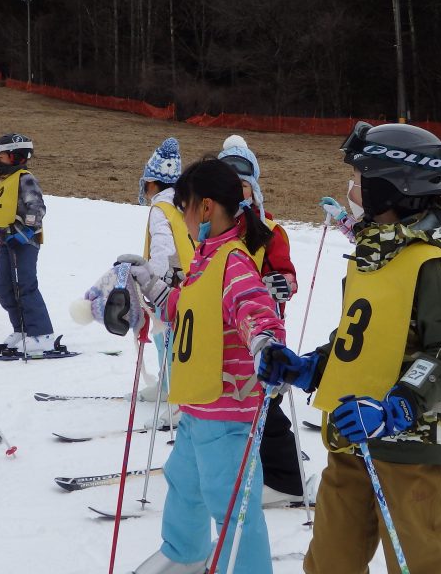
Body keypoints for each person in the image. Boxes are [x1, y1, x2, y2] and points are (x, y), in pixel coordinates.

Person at [258, 122, 441, 574]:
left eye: (361, 180)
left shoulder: (433, 268)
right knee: (330, 561)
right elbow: (357, 343)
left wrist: (398, 406)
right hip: (350, 438)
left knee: (419, 562)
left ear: (392, 186)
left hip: (408, 451)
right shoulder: (370, 261)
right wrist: (307, 368)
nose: (351, 189)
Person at [129, 158, 283, 574]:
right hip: (199, 405)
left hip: (228, 409)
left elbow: (253, 308)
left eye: (184, 205)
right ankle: (186, 554)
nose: (181, 214)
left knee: (231, 502)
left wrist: (265, 343)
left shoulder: (233, 260)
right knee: (185, 486)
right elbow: (185, 309)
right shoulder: (206, 256)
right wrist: (151, 284)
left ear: (207, 208)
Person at [217, 135, 310, 507]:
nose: (240, 197)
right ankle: (241, 458)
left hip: (261, 330)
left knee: (263, 403)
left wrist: (279, 285)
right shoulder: (217, 231)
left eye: (245, 188)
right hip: (223, 332)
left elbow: (288, 276)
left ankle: (288, 480)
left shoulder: (270, 230)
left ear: (254, 189)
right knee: (229, 397)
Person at [0, 133, 57, 356]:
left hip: (24, 242)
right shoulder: (6, 182)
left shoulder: (25, 179)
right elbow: (2, 209)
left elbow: (37, 209)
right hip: (6, 242)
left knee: (25, 285)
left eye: (2, 157)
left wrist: (24, 232)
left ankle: (42, 335)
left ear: (16, 157)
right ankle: (22, 330)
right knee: (2, 287)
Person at [136, 137, 192, 403]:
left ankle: (173, 391)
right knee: (177, 339)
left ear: (152, 182)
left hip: (168, 285)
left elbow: (162, 245)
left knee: (165, 339)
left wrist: (151, 278)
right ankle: (166, 383)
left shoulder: (160, 209)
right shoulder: (182, 204)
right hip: (189, 281)